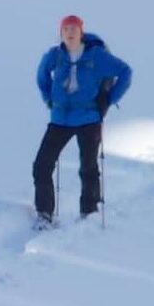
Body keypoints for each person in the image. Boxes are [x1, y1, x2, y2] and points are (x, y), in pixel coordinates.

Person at [33, 15, 131, 228]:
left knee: (88, 166)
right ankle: (44, 213)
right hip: (60, 119)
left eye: (74, 29)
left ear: (81, 32)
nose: (70, 33)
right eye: (66, 29)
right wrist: (48, 98)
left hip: (89, 118)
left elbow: (125, 72)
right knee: (42, 165)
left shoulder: (96, 56)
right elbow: (41, 75)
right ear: (61, 33)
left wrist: (109, 98)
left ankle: (89, 211)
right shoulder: (55, 55)